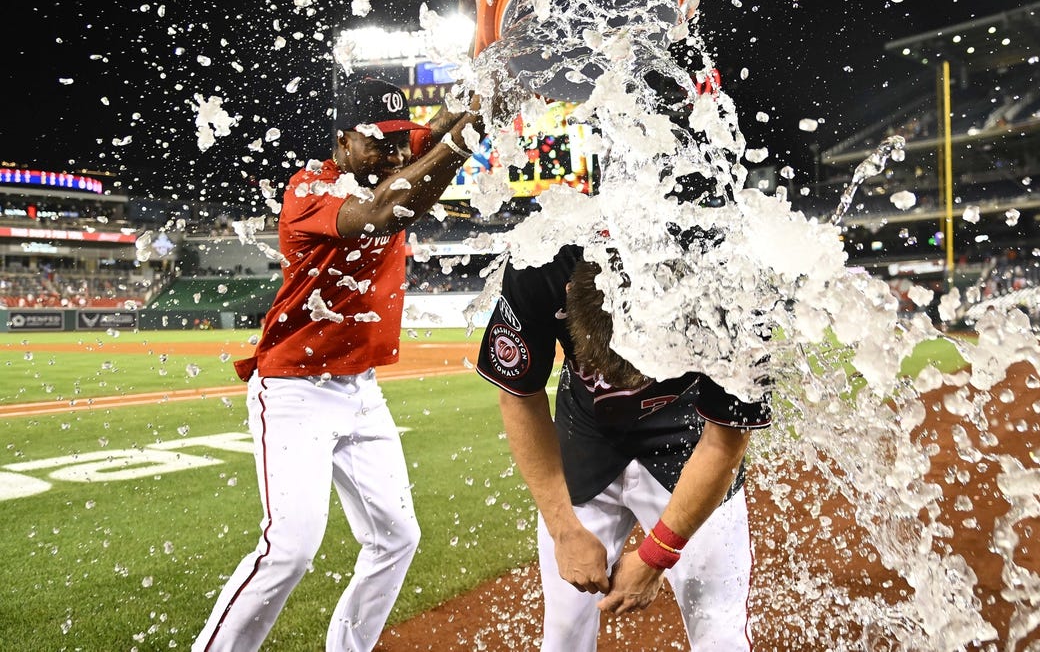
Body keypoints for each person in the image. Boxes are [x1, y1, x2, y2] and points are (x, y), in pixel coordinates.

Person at [193, 76, 483, 652]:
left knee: (396, 537)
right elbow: (382, 213)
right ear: (344, 141)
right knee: (291, 551)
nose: (396, 152)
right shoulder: (310, 189)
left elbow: (453, 119)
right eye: (380, 142)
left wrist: (487, 91)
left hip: (361, 391)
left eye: (402, 141)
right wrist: (456, 144)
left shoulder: (391, 158)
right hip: (294, 390)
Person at [476, 245, 772, 651]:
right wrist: (563, 530)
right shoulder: (539, 258)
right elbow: (518, 396)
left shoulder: (736, 283)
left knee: (720, 635)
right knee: (562, 636)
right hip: (587, 428)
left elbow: (725, 443)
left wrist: (658, 554)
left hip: (688, 429)